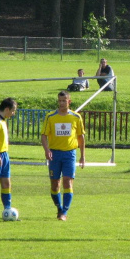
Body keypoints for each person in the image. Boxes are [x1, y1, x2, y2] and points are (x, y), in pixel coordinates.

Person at [41, 91, 86, 221]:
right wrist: (46, 149)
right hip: (54, 154)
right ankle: (59, 208)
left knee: (67, 181)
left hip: (70, 154)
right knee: (55, 184)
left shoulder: (76, 117)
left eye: (64, 100)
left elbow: (81, 137)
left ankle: (64, 211)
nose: (61, 103)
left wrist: (82, 156)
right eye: (59, 101)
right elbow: (44, 135)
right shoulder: (51, 117)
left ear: (69, 101)